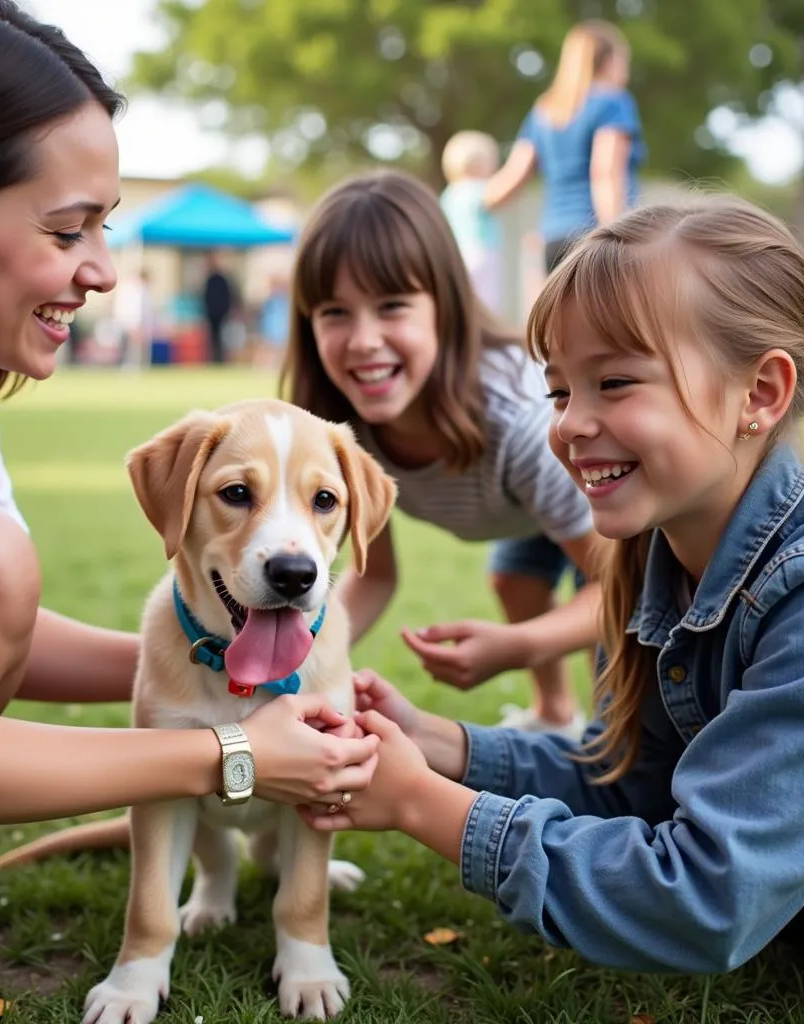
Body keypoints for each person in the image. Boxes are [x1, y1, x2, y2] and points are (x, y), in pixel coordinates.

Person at [0, 0, 379, 995]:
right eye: (69, 229)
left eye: (105, 229)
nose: (106, 273)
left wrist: (241, 669)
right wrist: (228, 748)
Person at [304, 196, 804, 972]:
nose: (570, 424)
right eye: (558, 391)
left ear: (759, 393)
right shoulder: (654, 559)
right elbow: (633, 787)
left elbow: (706, 899)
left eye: (615, 382)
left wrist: (422, 804)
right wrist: (437, 744)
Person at [281, 170, 604, 739]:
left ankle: (592, 726)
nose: (363, 340)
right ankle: (554, 716)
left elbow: (626, 584)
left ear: (445, 307)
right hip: (520, 509)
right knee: (516, 579)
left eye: (392, 306)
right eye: (335, 312)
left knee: (626, 688)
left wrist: (518, 645)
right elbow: (374, 574)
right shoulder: (340, 429)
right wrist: (299, 657)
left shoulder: (521, 425)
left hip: (606, 511)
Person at [483, 19, 645, 274]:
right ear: (609, 60)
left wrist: (466, 199)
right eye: (625, 59)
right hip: (592, 241)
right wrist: (615, 239)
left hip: (554, 242)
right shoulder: (613, 103)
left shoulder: (544, 112)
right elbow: (605, 172)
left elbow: (511, 178)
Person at [439, 130, 504, 316]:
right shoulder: (480, 188)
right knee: (488, 302)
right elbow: (497, 198)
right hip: (481, 250)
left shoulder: (449, 193)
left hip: (458, 253)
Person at [202, 250, 238, 364]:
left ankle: (221, 359)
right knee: (213, 337)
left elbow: (228, 296)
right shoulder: (210, 279)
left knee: (222, 337)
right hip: (212, 313)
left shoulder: (221, 279)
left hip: (221, 312)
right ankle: (214, 358)